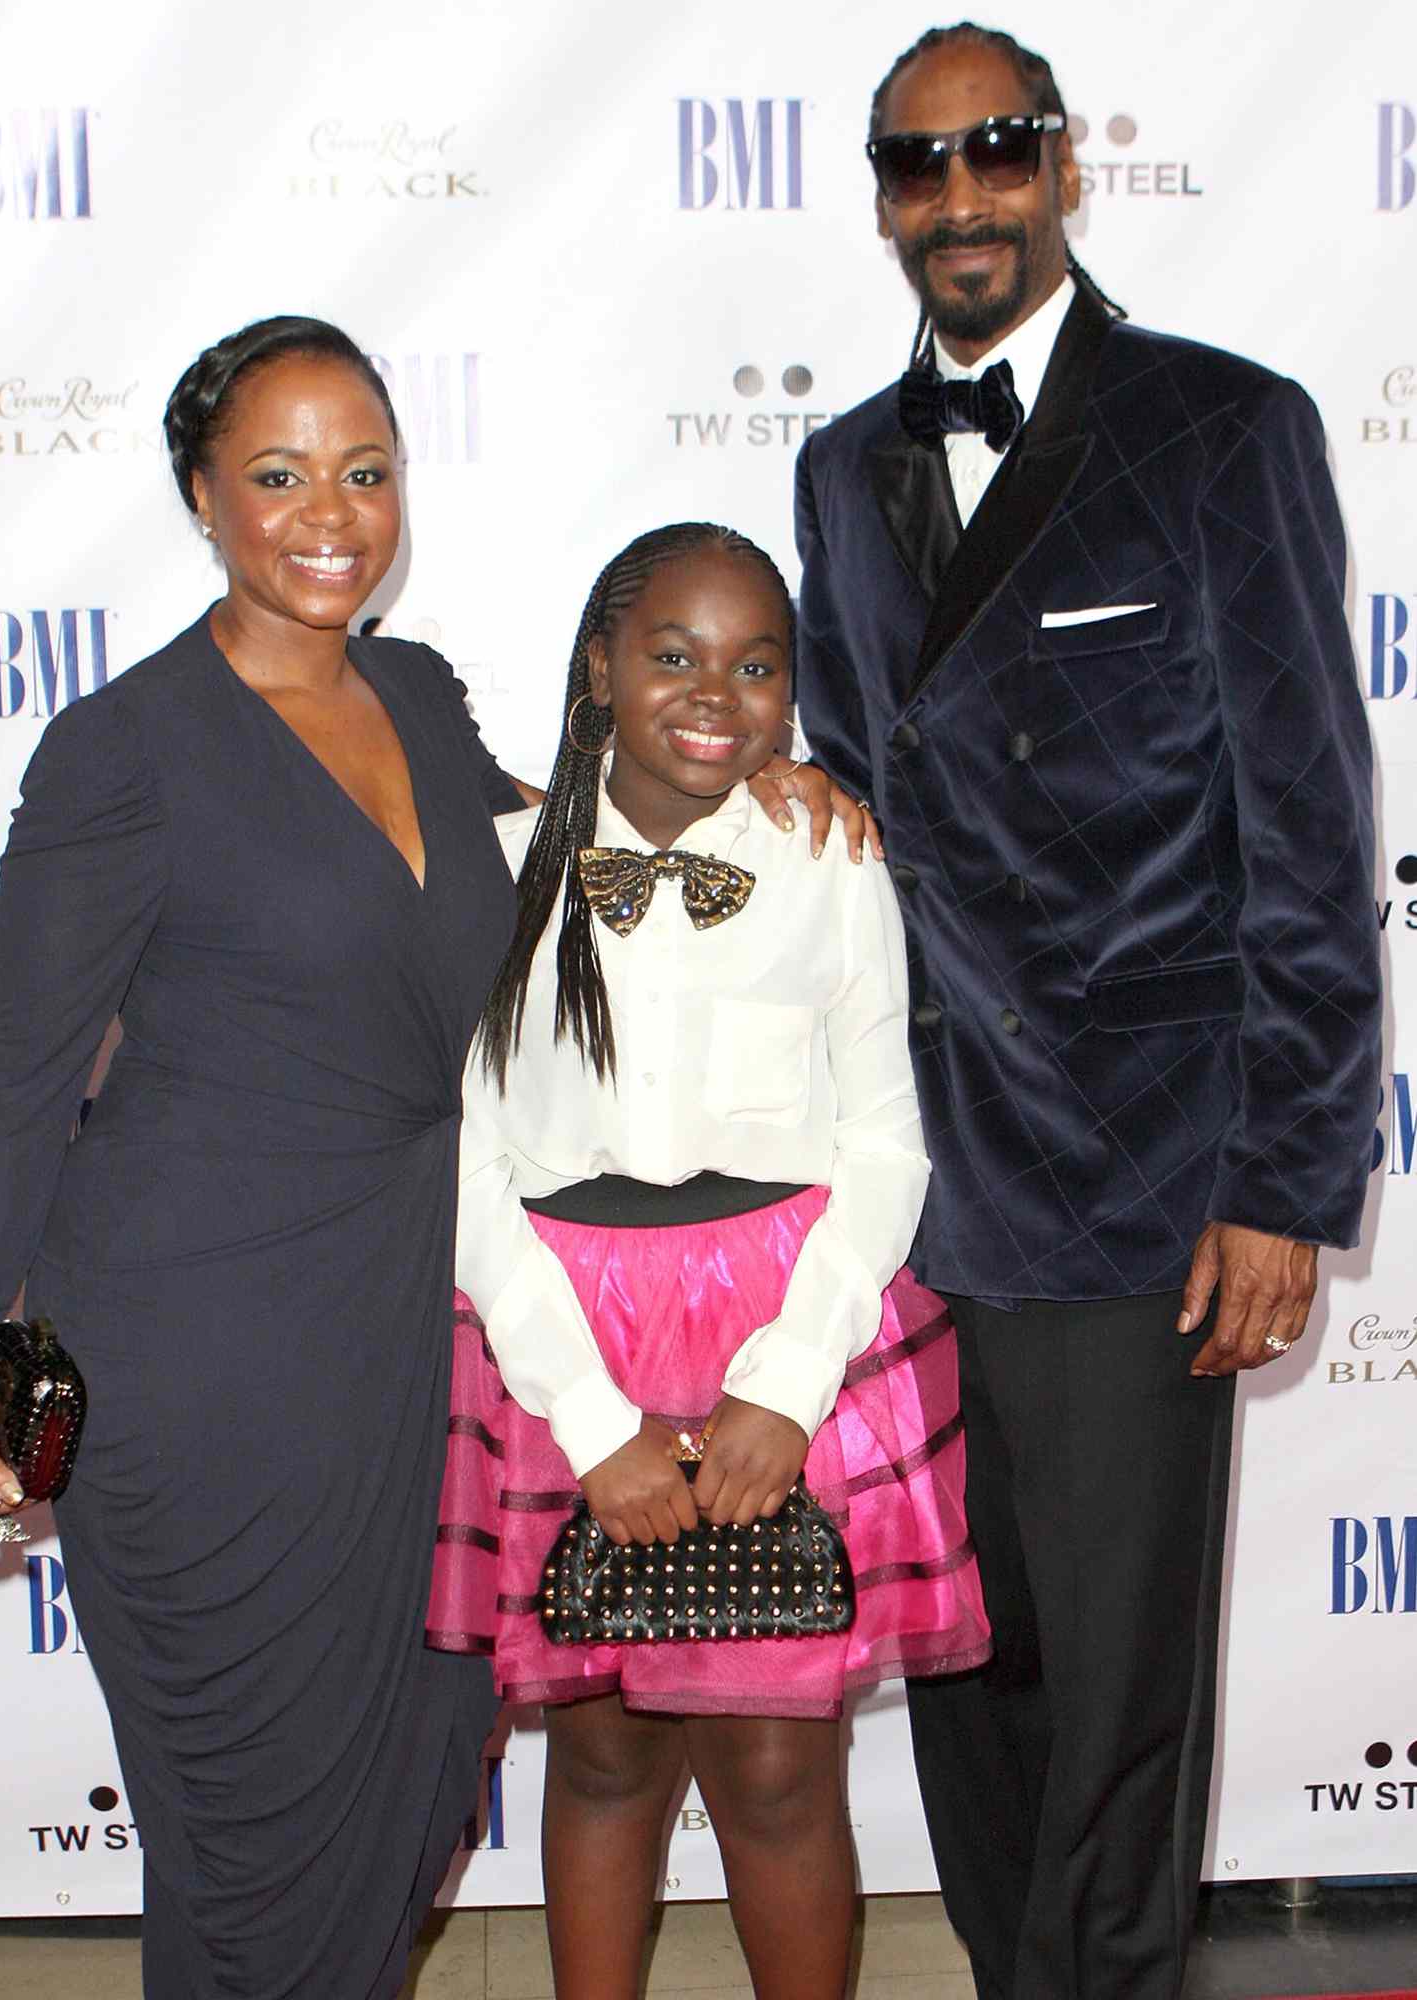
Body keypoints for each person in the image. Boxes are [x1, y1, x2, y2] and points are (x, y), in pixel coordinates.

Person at [792, 24, 1381, 2000]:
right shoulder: (838, 468)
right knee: (976, 1669)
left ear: (1064, 167)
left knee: (1124, 1699)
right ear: (884, 197)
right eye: (918, 163)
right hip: (917, 1183)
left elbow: (1309, 828)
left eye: (997, 150)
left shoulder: (1222, 428)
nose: (959, 193)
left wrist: (1286, 1176)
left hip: (1146, 1184)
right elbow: (860, 793)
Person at [0, 314, 525, 1999]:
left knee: (413, 1785)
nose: (330, 511)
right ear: (201, 496)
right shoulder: (125, 750)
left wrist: (751, 792)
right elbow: (24, 1088)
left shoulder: (418, 691)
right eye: (276, 474)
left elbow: (561, 865)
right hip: (203, 1370)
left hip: (410, 1343)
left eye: (365, 470)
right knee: (260, 1852)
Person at [425, 522, 989, 2000]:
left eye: (757, 666)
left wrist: (790, 1388)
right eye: (672, 654)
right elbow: (470, 1160)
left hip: (786, 1326)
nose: (714, 694)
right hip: (565, 1341)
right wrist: (594, 1425)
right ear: (602, 666)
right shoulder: (499, 871)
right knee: (604, 1752)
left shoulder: (827, 851)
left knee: (778, 1769)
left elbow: (884, 1142)